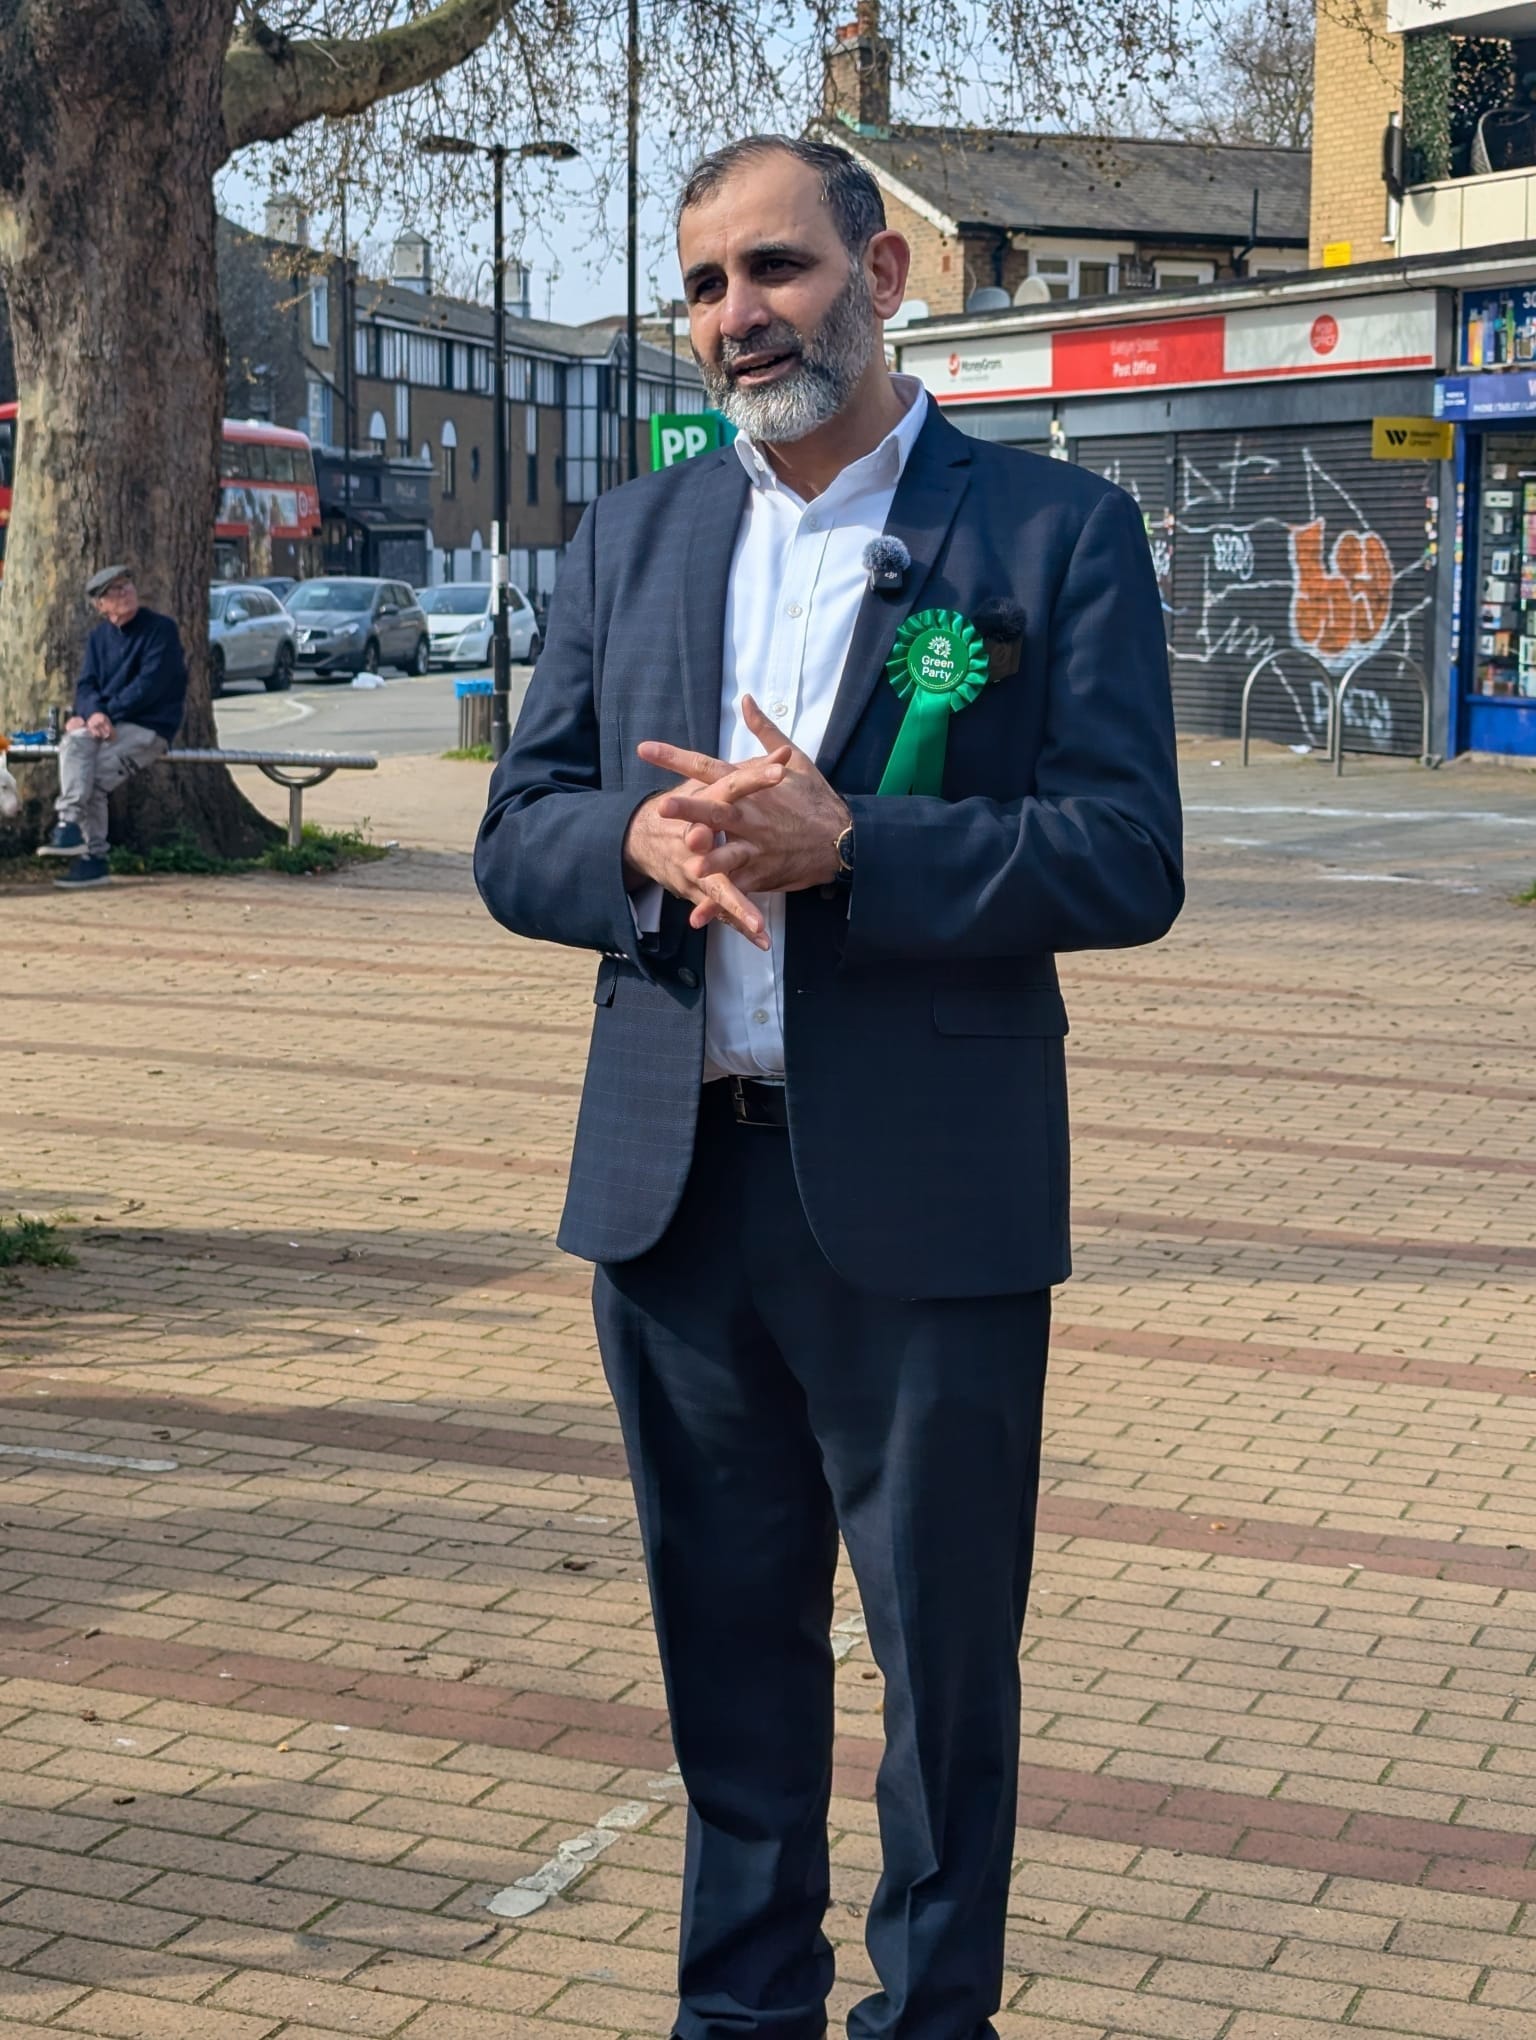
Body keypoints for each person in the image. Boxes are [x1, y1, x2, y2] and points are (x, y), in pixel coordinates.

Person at [475, 135, 1183, 2040]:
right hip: (674, 1199)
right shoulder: (629, 538)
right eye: (704, 287)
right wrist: (638, 849)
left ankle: (930, 2017)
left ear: (881, 275)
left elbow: (1127, 857)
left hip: (929, 1210)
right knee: (726, 1656)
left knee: (942, 1678)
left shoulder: (1050, 533)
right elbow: (517, 830)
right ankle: (741, 2014)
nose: (737, 318)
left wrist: (854, 841)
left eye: (775, 269)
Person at [36, 564, 188, 888]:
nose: (125, 592)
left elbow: (149, 685)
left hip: (149, 726)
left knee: (92, 776)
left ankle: (90, 854)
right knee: (73, 741)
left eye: (127, 585)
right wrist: (90, 713)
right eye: (114, 590)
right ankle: (71, 828)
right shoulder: (98, 638)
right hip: (106, 722)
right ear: (100, 605)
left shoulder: (160, 630)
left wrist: (105, 714)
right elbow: (87, 684)